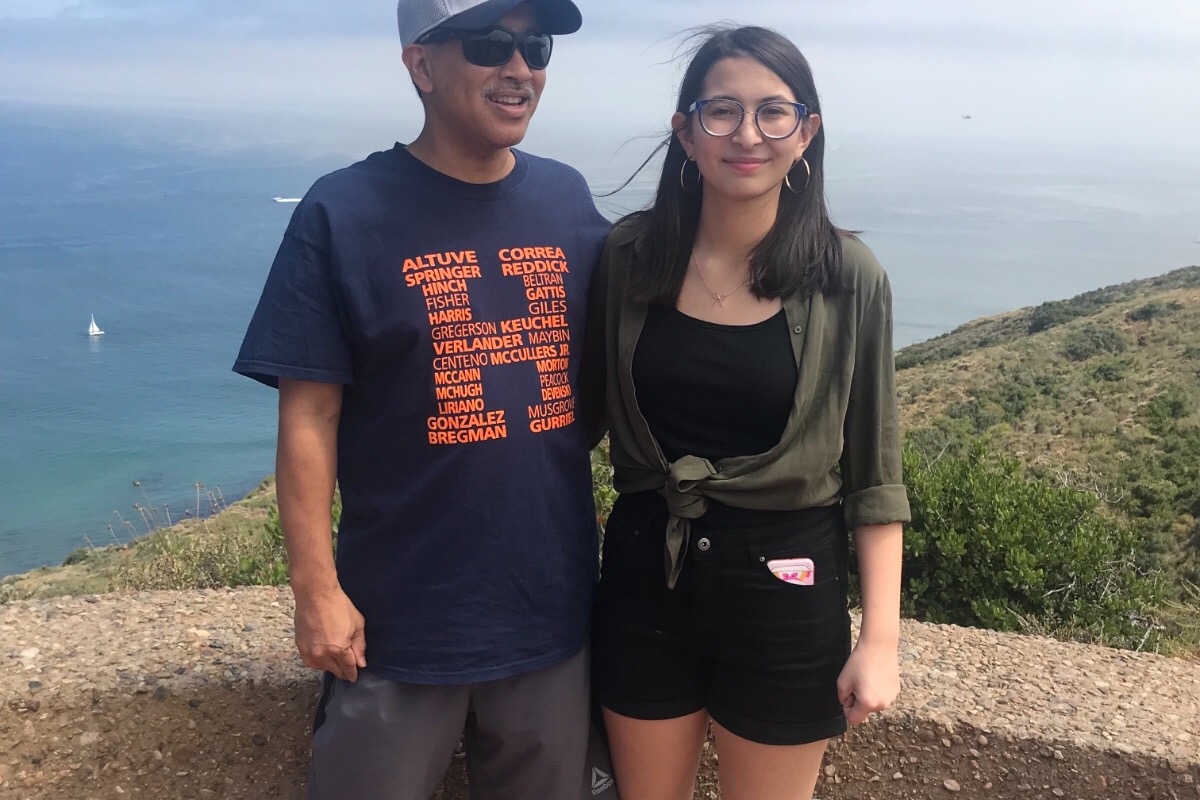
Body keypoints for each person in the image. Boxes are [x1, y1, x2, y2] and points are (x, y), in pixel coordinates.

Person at [232, 1, 612, 798]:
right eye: (489, 44)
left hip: (551, 616)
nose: (520, 68)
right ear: (420, 64)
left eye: (536, 46)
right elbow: (309, 414)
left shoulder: (568, 201)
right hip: (396, 628)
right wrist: (315, 591)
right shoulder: (344, 212)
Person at [589, 25, 910, 800]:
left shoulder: (848, 278)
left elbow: (874, 476)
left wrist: (881, 640)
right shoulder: (627, 259)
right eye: (722, 111)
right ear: (685, 132)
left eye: (773, 112)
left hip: (786, 592)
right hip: (642, 581)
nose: (747, 134)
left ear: (807, 132)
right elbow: (571, 423)